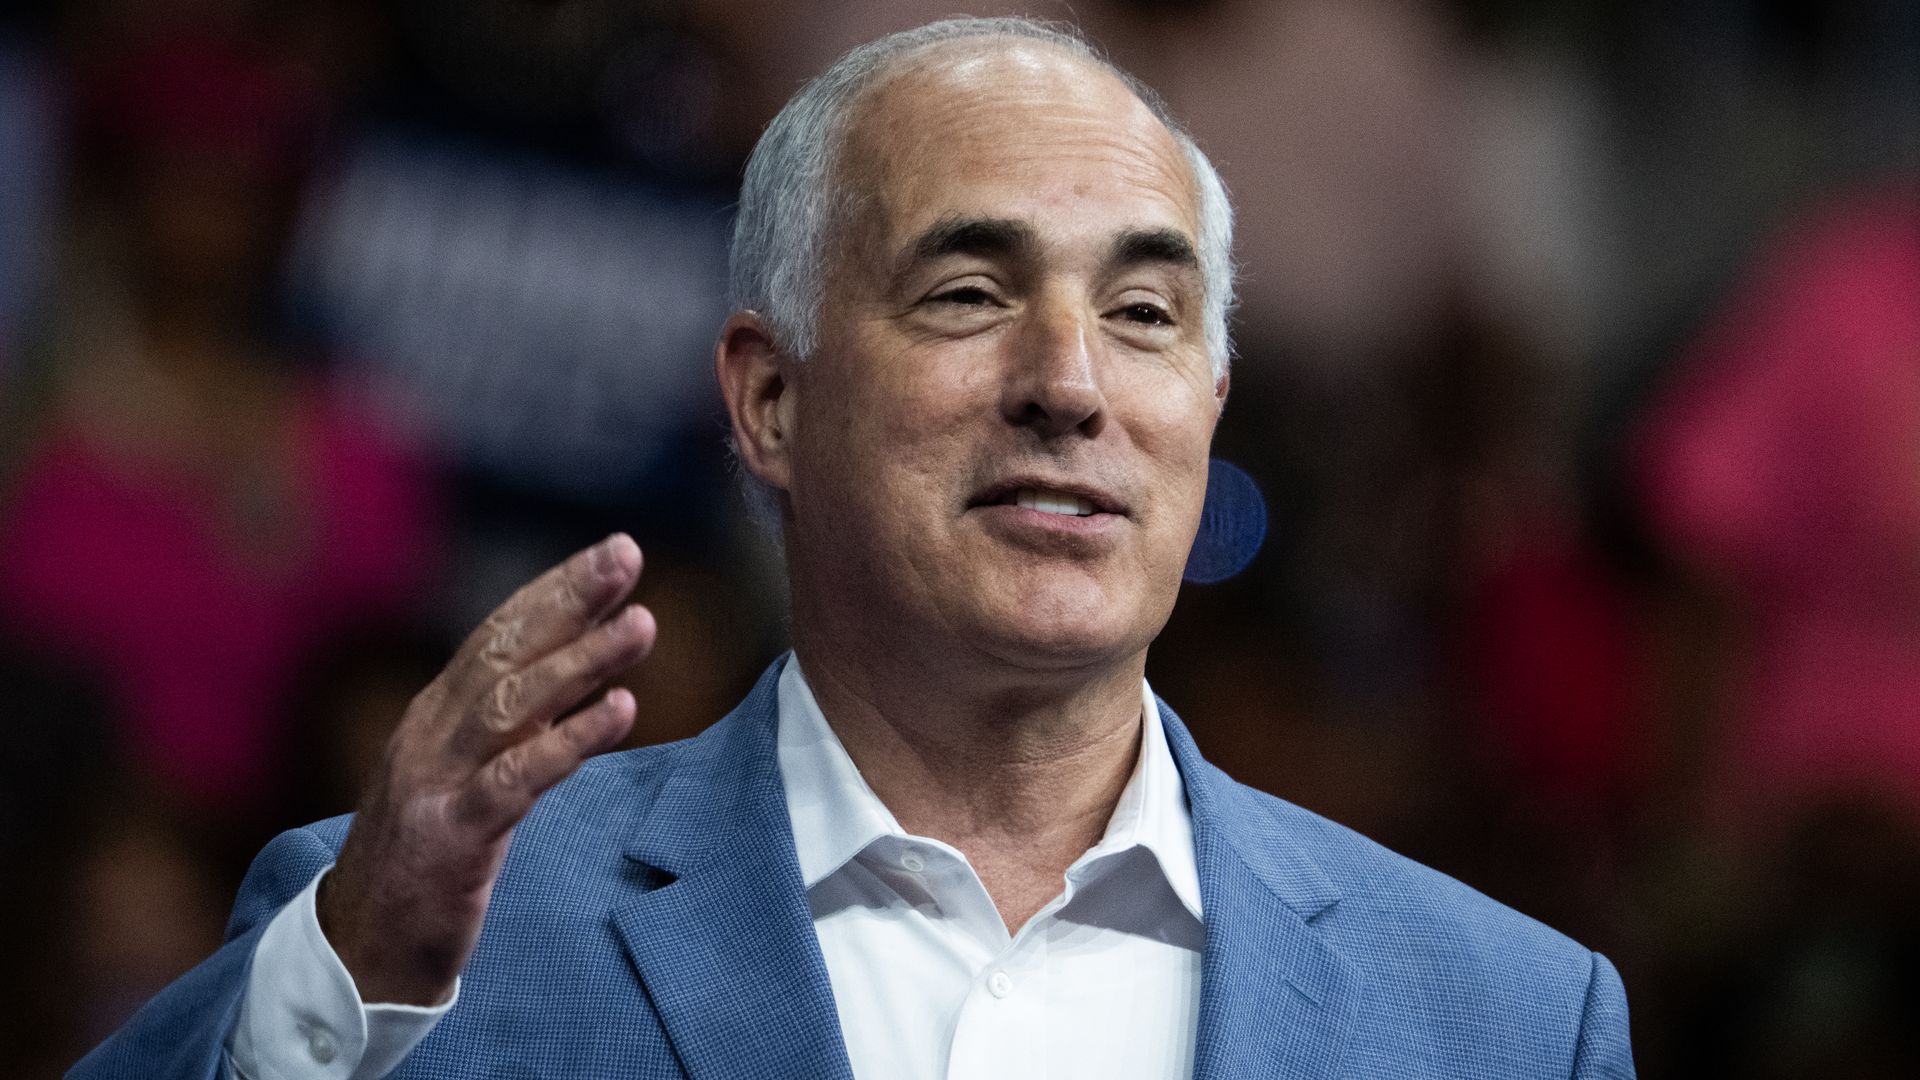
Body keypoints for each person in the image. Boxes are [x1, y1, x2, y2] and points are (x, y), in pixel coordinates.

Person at [72, 17, 1634, 1079]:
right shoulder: (420, 930)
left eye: (1144, 315)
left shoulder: (1506, 1019)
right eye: (967, 292)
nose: (1071, 384)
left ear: (1207, 406)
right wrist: (347, 983)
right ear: (768, 400)